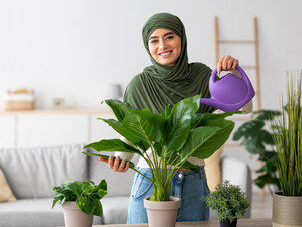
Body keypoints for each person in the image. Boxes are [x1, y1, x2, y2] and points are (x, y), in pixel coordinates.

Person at [97, 12, 252, 224]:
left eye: (169, 37)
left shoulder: (201, 76)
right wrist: (120, 161)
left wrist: (233, 73)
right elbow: (130, 132)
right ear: (147, 46)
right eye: (154, 40)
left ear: (181, 38)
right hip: (149, 180)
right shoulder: (140, 84)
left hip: (193, 181)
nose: (162, 45)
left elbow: (245, 108)